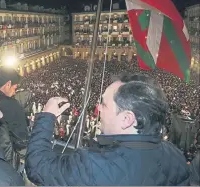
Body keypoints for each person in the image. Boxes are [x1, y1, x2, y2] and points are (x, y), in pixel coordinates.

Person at [25, 73, 190, 186]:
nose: (98, 108)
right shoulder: (175, 155)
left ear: (126, 119)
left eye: (104, 103)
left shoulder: (93, 165)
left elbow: (38, 167)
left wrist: (46, 116)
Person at [0, 66, 28, 170]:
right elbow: (21, 139)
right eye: (14, 88)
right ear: (8, 84)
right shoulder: (11, 105)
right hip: (8, 161)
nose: (15, 92)